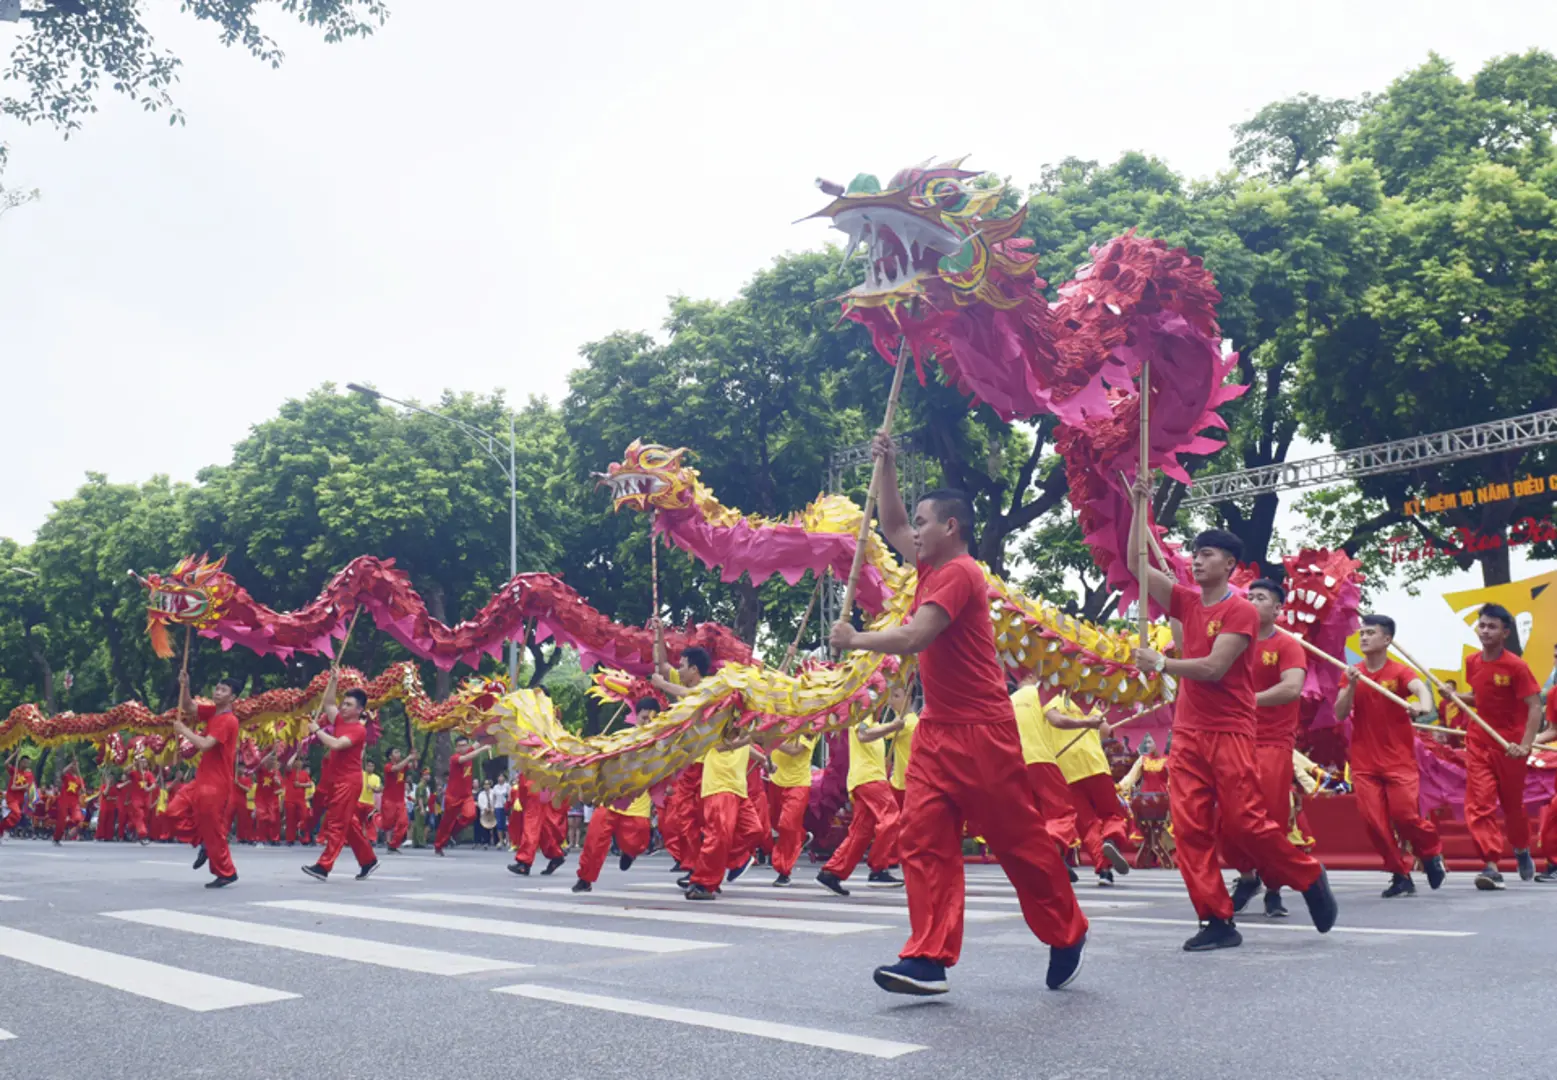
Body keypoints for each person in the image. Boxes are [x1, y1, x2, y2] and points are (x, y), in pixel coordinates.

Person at [830, 432, 1088, 996]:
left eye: (925, 522)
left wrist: (856, 639)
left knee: (1017, 843)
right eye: (916, 523)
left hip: (984, 735)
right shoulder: (928, 564)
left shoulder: (960, 573)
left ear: (951, 527)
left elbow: (919, 634)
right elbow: (893, 524)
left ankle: (1067, 929)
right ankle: (928, 958)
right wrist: (889, 464)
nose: (912, 532)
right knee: (922, 840)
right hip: (937, 733)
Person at [1127, 481, 1337, 951]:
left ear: (1230, 565)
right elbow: (1136, 564)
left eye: (1208, 554)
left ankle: (1307, 875)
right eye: (1195, 553)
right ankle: (1216, 920)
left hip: (1230, 732)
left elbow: (1213, 668)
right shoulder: (1184, 600)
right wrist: (1142, 506)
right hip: (1188, 735)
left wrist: (1160, 663)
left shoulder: (1239, 610)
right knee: (1192, 830)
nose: (1198, 560)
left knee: (1246, 824)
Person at [1333, 614, 1445, 897]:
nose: (1364, 637)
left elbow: (1421, 690)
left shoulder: (1399, 672)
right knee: (1374, 822)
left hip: (1398, 760)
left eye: (1371, 633)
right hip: (1364, 761)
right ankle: (1400, 873)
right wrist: (1353, 685)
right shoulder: (1352, 672)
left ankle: (1430, 853)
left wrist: (1422, 706)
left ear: (1387, 639)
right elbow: (1340, 712)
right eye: (1362, 633)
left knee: (1405, 816)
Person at [1224, 579, 1309, 918]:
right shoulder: (1231, 643)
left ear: (1277, 609)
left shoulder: (1287, 645)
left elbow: (1291, 688)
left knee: (1270, 817)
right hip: (1232, 738)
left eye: (1261, 598)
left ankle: (1273, 887)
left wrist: (1247, 701)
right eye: (1249, 596)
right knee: (1228, 816)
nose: (1253, 601)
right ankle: (1247, 877)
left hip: (1273, 742)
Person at [1458, 602, 1543, 889]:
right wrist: (1455, 695)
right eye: (1482, 625)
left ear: (1505, 632)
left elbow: (1534, 706)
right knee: (1479, 803)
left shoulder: (1516, 666)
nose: (1485, 631)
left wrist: (1525, 744)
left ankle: (1521, 849)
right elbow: (1478, 696)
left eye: (1492, 626)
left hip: (1510, 746)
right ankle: (1491, 865)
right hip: (1479, 741)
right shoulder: (1471, 662)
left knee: (1513, 807)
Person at [816, 704, 905, 895]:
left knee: (860, 833)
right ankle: (878, 868)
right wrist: (893, 726)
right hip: (870, 780)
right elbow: (863, 735)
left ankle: (832, 872)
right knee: (891, 818)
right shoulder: (861, 717)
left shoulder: (872, 722)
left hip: (865, 780)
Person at [1041, 692, 1129, 886]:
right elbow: (1106, 731)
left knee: (1087, 823)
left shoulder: (1052, 700)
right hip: (1095, 766)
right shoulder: (1089, 703)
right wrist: (1090, 722)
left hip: (1068, 770)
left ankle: (1104, 870)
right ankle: (1111, 841)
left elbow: (1055, 720)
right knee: (1111, 814)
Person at [168, 672, 242, 888]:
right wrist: (186, 685)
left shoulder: (228, 720)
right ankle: (204, 841)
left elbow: (205, 744)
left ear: (233, 698)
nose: (217, 692)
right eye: (217, 688)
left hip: (216, 784)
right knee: (173, 811)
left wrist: (184, 731)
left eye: (223, 690)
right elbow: (189, 706)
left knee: (214, 829)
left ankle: (227, 872)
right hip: (202, 780)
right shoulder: (213, 713)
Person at [301, 676, 379, 882]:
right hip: (335, 780)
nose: (343, 707)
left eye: (349, 705)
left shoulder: (358, 730)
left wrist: (316, 730)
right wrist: (333, 680)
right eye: (343, 703)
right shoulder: (340, 720)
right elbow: (327, 703)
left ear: (360, 710)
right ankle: (368, 860)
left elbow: (336, 744)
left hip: (348, 782)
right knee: (349, 823)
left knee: (336, 823)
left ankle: (324, 866)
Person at [681, 731, 766, 901]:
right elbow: (722, 746)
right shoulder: (715, 723)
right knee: (718, 838)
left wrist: (763, 759)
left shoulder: (741, 726)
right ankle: (701, 883)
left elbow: (744, 746)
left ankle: (725, 860)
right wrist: (749, 737)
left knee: (754, 830)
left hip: (739, 789)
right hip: (719, 787)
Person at [768, 723, 818, 888]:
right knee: (776, 823)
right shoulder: (778, 721)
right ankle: (801, 837)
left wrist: (771, 737)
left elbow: (794, 750)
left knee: (787, 825)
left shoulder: (811, 725)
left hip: (798, 783)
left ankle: (783, 870)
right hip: (776, 780)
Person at [433, 736, 489, 855]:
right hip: (453, 797)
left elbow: (478, 742)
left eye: (465, 745)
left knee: (471, 815)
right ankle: (439, 845)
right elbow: (467, 757)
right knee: (446, 822)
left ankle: (452, 833)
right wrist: (482, 749)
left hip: (466, 796)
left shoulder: (469, 751)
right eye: (460, 746)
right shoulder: (455, 758)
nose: (463, 747)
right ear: (456, 747)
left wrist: (488, 733)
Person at [380, 748, 415, 852]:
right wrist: (409, 758)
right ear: (390, 756)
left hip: (400, 800)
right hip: (389, 800)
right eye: (396, 752)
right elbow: (396, 768)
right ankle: (388, 842)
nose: (399, 754)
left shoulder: (404, 766)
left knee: (404, 823)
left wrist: (414, 757)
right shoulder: (388, 766)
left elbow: (414, 766)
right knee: (388, 823)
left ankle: (393, 845)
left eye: (399, 752)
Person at [2, 750, 36, 841]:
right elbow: (6, 763)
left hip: (19, 799)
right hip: (11, 797)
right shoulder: (14, 770)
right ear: (20, 762)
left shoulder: (29, 774)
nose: (26, 764)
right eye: (25, 762)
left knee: (16, 817)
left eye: (28, 763)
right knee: (17, 813)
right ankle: (5, 830)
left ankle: (3, 829)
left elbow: (27, 786)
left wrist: (15, 787)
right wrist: (15, 754)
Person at [52, 756, 85, 844]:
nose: (76, 766)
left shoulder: (79, 779)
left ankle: (69, 832)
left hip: (74, 802)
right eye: (74, 765)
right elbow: (62, 772)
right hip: (64, 800)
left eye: (77, 764)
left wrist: (82, 789)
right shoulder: (67, 776)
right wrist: (71, 764)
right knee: (61, 821)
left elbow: (82, 790)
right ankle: (57, 838)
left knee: (78, 819)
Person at [253, 755, 282, 845]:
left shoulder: (276, 773)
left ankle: (274, 838)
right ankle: (260, 838)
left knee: (273, 819)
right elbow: (260, 763)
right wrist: (272, 752)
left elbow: (281, 785)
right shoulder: (262, 771)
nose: (272, 762)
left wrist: (277, 781)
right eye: (270, 760)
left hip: (271, 799)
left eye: (273, 761)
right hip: (261, 799)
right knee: (261, 818)